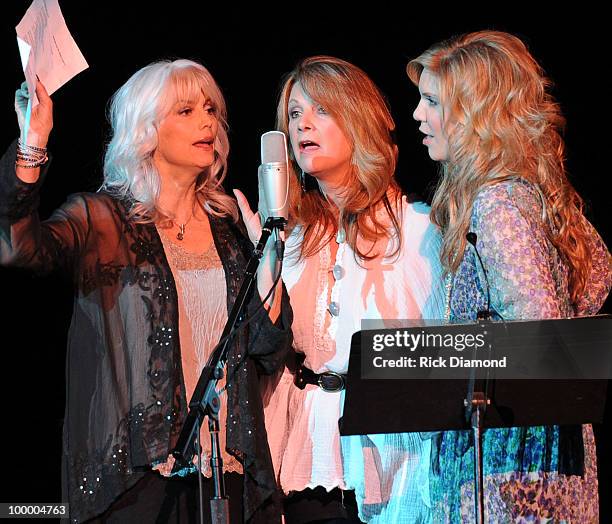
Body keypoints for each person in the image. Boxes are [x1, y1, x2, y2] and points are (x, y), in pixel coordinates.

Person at [0, 59, 291, 523]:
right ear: (145, 128)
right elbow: (19, 249)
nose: (206, 122)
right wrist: (33, 144)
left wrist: (269, 266)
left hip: (226, 478)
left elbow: (268, 348)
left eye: (212, 110)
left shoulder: (231, 226)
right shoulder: (102, 221)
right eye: (186, 110)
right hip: (136, 484)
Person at [407, 30, 612, 522]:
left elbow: (540, 336)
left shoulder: (497, 201)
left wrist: (427, 356)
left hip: (512, 469)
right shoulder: (536, 193)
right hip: (551, 456)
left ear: (477, 113)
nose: (417, 114)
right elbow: (597, 276)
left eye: (432, 100)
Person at [235, 55, 446, 523]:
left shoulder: (421, 229)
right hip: (312, 459)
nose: (303, 124)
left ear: (359, 118)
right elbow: (270, 352)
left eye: (321, 110)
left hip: (399, 466)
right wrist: (267, 256)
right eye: (294, 114)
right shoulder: (291, 236)